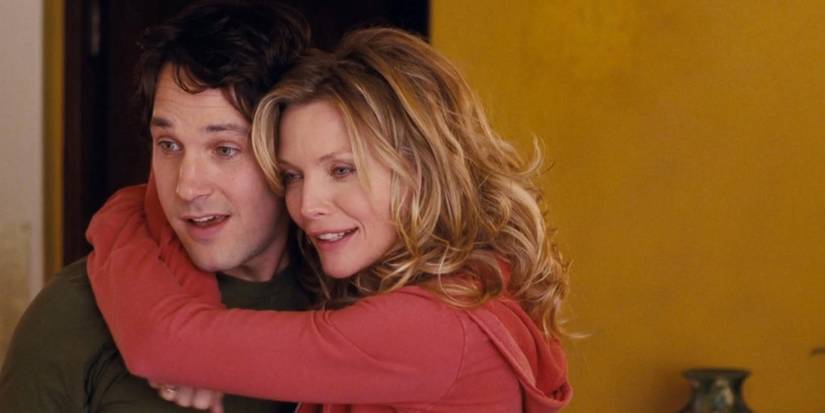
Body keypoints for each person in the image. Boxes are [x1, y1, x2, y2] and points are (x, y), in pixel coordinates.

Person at [86, 28, 573, 412]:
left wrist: (122, 214)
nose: (307, 206)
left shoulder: (428, 330)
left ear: (421, 170)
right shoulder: (472, 289)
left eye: (342, 170)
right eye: (292, 176)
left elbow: (163, 344)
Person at [0, 2, 311, 412]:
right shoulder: (71, 314)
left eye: (224, 149)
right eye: (169, 145)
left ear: (288, 153)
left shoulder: (349, 294)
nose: (186, 186)